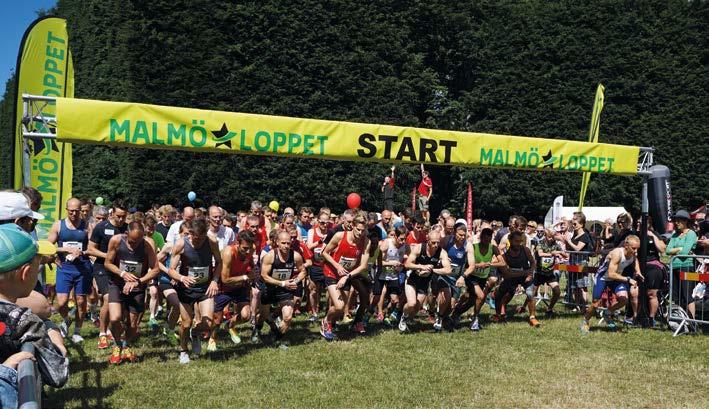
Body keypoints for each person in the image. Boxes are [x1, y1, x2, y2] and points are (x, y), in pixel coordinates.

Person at [0, 225, 68, 397]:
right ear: (26, 273)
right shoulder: (24, 320)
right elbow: (57, 375)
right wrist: (56, 341)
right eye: (38, 267)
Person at [167, 218, 221, 364]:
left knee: (208, 324)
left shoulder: (211, 242)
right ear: (190, 233)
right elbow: (171, 270)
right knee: (186, 323)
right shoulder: (181, 244)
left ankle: (195, 334)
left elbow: (219, 262)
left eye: (201, 238)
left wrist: (215, 281)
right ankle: (183, 351)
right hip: (186, 289)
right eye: (196, 238)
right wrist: (181, 278)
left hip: (205, 288)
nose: (198, 242)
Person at [104, 221, 159, 364]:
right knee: (115, 318)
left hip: (137, 287)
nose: (135, 244)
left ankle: (126, 345)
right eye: (133, 241)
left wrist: (139, 281)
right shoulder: (116, 240)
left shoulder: (148, 245)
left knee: (133, 325)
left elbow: (155, 269)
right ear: (126, 234)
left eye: (139, 241)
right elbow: (107, 263)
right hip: (117, 284)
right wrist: (122, 273)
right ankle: (117, 345)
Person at [47, 198, 94, 344]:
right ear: (66, 209)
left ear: (81, 211)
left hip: (82, 268)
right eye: (71, 210)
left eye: (77, 211)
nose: (74, 213)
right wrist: (64, 249)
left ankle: (77, 332)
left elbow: (92, 248)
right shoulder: (58, 225)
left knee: (81, 301)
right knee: (61, 302)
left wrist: (82, 252)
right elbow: (49, 246)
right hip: (65, 268)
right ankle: (66, 320)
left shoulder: (87, 226)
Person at [320, 214, 371, 340]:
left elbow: (363, 266)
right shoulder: (339, 236)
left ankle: (329, 322)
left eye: (363, 230)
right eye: (358, 229)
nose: (360, 233)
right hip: (331, 271)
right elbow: (325, 253)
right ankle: (326, 322)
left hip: (347, 275)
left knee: (341, 308)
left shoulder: (366, 242)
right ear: (352, 226)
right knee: (339, 305)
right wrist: (337, 266)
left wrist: (346, 276)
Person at [86, 200, 128, 349]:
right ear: (112, 213)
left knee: (118, 302)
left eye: (124, 216)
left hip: (119, 269)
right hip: (101, 267)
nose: (121, 219)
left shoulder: (127, 228)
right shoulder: (101, 227)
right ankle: (102, 334)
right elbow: (90, 249)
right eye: (118, 216)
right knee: (107, 298)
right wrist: (108, 255)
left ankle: (111, 329)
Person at [581, 235, 642, 333]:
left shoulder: (633, 253)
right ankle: (585, 321)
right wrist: (628, 279)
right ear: (626, 246)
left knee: (624, 300)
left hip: (615, 278)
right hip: (603, 278)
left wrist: (638, 271)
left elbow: (635, 260)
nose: (636, 251)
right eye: (634, 248)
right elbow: (611, 274)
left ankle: (607, 313)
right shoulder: (617, 254)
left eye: (637, 249)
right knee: (595, 304)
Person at [258, 231, 306, 348]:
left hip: (284, 289)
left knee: (288, 316)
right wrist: (282, 283)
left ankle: (277, 339)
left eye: (288, 243)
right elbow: (264, 276)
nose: (286, 246)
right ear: (277, 243)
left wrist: (295, 281)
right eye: (283, 243)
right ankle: (257, 329)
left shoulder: (296, 256)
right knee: (263, 315)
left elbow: (303, 271)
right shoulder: (269, 256)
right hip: (269, 288)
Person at [209, 230, 255, 350]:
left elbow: (251, 265)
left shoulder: (250, 249)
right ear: (237, 243)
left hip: (240, 286)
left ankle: (229, 324)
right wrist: (245, 277)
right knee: (217, 320)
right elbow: (225, 279)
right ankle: (213, 338)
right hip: (223, 288)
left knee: (246, 315)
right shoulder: (228, 252)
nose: (248, 251)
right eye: (245, 248)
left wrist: (253, 273)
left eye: (250, 248)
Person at [399, 231, 452, 333]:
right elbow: (407, 264)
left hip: (424, 283)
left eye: (438, 242)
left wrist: (432, 270)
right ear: (428, 241)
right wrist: (421, 266)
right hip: (413, 279)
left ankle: (409, 319)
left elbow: (448, 270)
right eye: (433, 243)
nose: (436, 245)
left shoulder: (441, 252)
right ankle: (403, 317)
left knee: (417, 307)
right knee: (411, 304)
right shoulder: (419, 248)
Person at [452, 227, 501, 331]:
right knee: (481, 296)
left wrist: (489, 264)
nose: (486, 242)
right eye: (485, 239)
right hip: (472, 276)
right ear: (480, 237)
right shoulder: (473, 247)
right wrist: (479, 265)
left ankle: (456, 313)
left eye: (489, 240)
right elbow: (466, 266)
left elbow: (502, 262)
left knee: (471, 300)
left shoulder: (493, 248)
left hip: (482, 278)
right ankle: (475, 319)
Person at [494, 230, 540, 327]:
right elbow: (505, 272)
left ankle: (532, 317)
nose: (518, 243)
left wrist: (530, 274)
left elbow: (533, 263)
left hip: (525, 277)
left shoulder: (525, 250)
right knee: (499, 294)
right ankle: (499, 314)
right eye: (516, 241)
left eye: (520, 241)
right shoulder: (505, 253)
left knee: (530, 293)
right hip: (511, 277)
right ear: (510, 240)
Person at [665, 210, 698, 311]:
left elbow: (685, 253)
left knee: (688, 297)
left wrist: (675, 251)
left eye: (679, 221)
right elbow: (667, 250)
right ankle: (679, 319)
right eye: (676, 221)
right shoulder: (675, 235)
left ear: (686, 221)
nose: (676, 223)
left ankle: (691, 322)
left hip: (687, 267)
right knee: (676, 297)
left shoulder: (691, 234)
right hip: (674, 268)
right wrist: (680, 249)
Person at [373, 227, 406, 322]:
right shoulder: (387, 244)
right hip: (381, 274)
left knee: (395, 300)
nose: (403, 242)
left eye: (405, 239)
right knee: (376, 298)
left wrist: (401, 266)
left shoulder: (405, 247)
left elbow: (409, 262)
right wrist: (391, 263)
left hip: (393, 275)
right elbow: (376, 262)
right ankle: (368, 314)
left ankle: (386, 314)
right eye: (401, 239)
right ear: (395, 236)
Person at [306, 211, 331, 322]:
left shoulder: (331, 232)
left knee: (330, 291)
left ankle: (328, 312)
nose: (324, 225)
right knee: (314, 290)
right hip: (315, 265)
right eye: (322, 222)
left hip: (327, 265)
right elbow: (308, 247)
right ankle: (314, 312)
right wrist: (320, 241)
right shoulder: (312, 231)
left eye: (327, 223)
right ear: (318, 221)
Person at [534, 229, 564, 317]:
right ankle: (524, 307)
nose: (550, 239)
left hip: (549, 273)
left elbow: (565, 254)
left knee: (557, 291)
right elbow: (540, 254)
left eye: (552, 237)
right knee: (531, 293)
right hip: (539, 272)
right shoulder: (541, 243)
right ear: (545, 236)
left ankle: (549, 309)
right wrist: (552, 254)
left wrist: (560, 253)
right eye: (549, 237)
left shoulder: (556, 244)